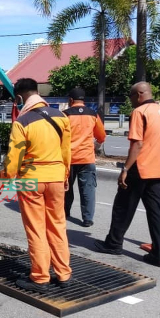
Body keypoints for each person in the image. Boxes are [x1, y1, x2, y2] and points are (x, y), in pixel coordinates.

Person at [0, 78, 72, 293]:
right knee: (58, 226)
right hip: (57, 177)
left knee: (37, 229)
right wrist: (64, 176)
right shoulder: (61, 117)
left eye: (16, 100)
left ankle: (40, 277)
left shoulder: (22, 122)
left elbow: (14, 159)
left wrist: (2, 181)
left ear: (20, 97)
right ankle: (63, 273)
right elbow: (67, 152)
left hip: (31, 180)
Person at [94, 82, 160, 267]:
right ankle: (158, 255)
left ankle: (113, 244)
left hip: (140, 168)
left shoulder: (139, 112)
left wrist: (125, 169)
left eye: (130, 96)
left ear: (139, 94)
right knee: (156, 213)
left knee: (122, 206)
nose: (130, 100)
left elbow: (137, 144)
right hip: (158, 169)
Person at [63, 86, 106, 227]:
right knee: (88, 189)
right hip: (87, 158)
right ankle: (87, 219)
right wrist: (94, 147)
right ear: (83, 100)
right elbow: (101, 136)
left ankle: (65, 212)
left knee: (66, 187)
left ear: (70, 100)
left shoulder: (65, 115)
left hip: (69, 158)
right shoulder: (92, 114)